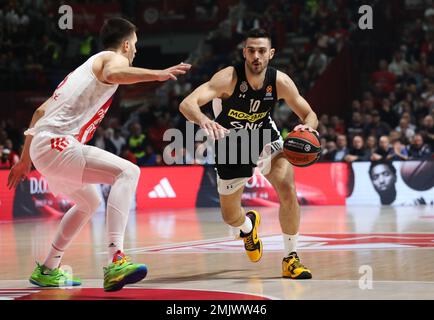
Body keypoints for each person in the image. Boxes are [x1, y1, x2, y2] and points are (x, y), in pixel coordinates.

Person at [7, 17, 191, 291]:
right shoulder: (111, 58)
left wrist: (24, 161)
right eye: (136, 45)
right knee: (129, 171)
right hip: (59, 144)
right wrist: (157, 74)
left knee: (89, 202)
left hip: (45, 147)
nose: (136, 51)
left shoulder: (83, 69)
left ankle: (48, 267)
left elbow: (39, 113)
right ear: (126, 45)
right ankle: (116, 259)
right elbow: (115, 74)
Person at [180, 29, 318, 279]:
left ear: (271, 54)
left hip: (264, 134)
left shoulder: (279, 81)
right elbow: (187, 104)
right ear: (244, 52)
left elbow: (310, 114)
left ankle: (291, 257)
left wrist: (308, 126)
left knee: (287, 188)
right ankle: (247, 228)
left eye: (262, 51)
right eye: (251, 50)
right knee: (230, 215)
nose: (256, 55)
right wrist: (203, 120)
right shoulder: (228, 78)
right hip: (232, 144)